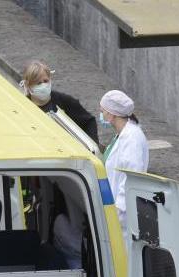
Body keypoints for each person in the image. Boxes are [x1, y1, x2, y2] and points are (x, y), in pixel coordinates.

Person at [98, 90, 149, 241]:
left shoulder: (131, 138)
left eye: (102, 111)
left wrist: (117, 214)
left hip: (123, 220)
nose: (101, 115)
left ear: (112, 114)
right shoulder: (121, 136)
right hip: (115, 215)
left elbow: (130, 178)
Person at [20, 60, 99, 144]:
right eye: (38, 83)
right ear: (28, 86)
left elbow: (89, 121)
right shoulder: (23, 106)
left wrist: (92, 147)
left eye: (45, 81)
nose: (43, 85)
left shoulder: (63, 101)